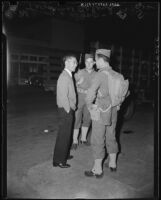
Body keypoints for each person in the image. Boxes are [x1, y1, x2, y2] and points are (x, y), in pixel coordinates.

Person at [84, 49, 119, 178]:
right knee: (111, 136)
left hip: (101, 111)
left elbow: (90, 94)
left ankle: (97, 170)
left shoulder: (100, 74)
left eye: (95, 60)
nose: (94, 62)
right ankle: (112, 164)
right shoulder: (116, 74)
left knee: (98, 139)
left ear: (100, 60)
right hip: (113, 111)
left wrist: (90, 106)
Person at [52, 54, 77, 168]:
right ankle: (60, 161)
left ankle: (62, 156)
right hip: (66, 110)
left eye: (76, 62)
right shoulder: (64, 76)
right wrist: (68, 110)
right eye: (74, 62)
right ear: (67, 62)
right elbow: (62, 96)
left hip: (66, 109)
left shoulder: (68, 75)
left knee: (65, 135)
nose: (76, 65)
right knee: (64, 135)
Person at [71, 53, 97, 150]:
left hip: (90, 100)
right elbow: (72, 85)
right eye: (87, 62)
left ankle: (83, 139)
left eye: (91, 62)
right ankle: (74, 141)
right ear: (84, 62)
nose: (89, 64)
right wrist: (78, 83)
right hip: (79, 99)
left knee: (87, 119)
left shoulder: (97, 74)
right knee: (77, 120)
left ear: (94, 62)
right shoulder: (79, 72)